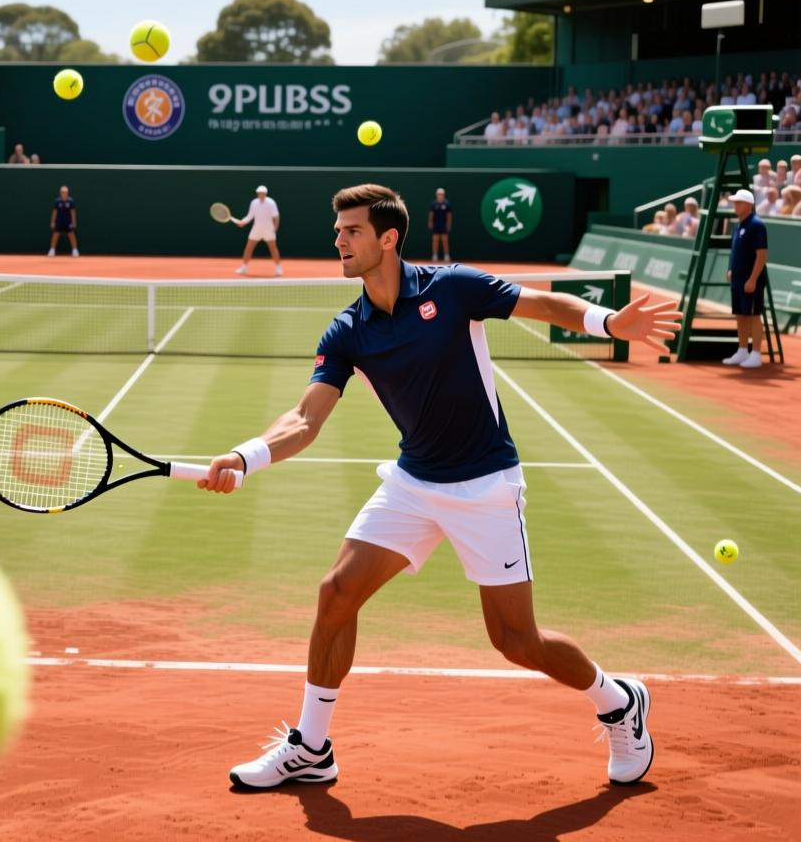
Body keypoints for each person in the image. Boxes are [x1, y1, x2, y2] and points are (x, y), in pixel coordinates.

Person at [197, 184, 680, 791]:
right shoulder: (347, 330)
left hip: (486, 486)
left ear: (388, 238)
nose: (338, 240)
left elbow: (542, 305)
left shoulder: (451, 289)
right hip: (413, 482)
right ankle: (312, 747)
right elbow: (305, 419)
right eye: (338, 230)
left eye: (352, 231)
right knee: (337, 592)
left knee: (515, 640)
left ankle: (618, 701)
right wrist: (246, 457)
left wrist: (608, 320)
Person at [722, 189, 769, 368]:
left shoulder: (757, 225)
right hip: (738, 278)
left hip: (751, 280)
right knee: (740, 315)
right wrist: (731, 270)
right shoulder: (737, 225)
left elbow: (762, 255)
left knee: (754, 315)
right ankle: (742, 350)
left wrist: (753, 279)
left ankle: (756, 354)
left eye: (739, 202)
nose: (736, 205)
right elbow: (735, 251)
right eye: (735, 202)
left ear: (749, 205)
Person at [232, 185, 282, 276]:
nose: (261, 194)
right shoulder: (254, 202)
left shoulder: (271, 202)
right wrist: (243, 221)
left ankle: (278, 268)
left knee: (273, 248)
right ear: (257, 193)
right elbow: (250, 216)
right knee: (248, 248)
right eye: (259, 193)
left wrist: (275, 228)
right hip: (256, 229)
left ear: (265, 193)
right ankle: (243, 268)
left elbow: (276, 216)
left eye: (262, 193)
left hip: (268, 229)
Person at [48, 186, 78, 257]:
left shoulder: (71, 201)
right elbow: (54, 212)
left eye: (65, 192)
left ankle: (75, 250)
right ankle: (52, 250)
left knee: (71, 235)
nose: (63, 193)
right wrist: (53, 222)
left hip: (68, 221)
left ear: (67, 193)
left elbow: (73, 212)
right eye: (62, 192)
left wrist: (74, 222)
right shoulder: (57, 201)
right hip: (59, 221)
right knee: (55, 234)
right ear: (60, 193)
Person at [427, 187, 452, 262]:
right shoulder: (433, 204)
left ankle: (446, 255)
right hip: (436, 225)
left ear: (444, 195)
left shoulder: (447, 204)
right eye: (439, 194)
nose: (440, 195)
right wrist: (430, 222)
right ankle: (435, 255)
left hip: (443, 225)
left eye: (441, 194)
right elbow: (431, 214)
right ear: (436, 195)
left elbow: (449, 215)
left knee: (445, 240)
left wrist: (448, 224)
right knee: (435, 240)